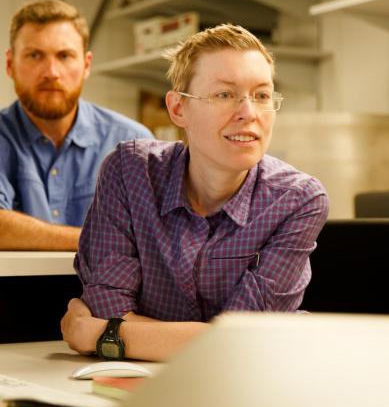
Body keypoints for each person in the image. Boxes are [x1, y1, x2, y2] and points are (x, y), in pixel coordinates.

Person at [61, 23, 329, 361]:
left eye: (261, 95)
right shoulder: (130, 172)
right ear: (178, 109)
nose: (248, 113)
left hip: (250, 387)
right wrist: (205, 340)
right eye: (224, 94)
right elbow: (107, 304)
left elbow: (238, 343)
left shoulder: (298, 200)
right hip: (132, 381)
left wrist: (102, 334)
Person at [0, 0, 153, 251]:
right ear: (9, 64)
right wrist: (98, 239)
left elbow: (154, 236)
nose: (51, 71)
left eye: (64, 55)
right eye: (34, 55)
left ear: (86, 65)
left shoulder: (133, 143)